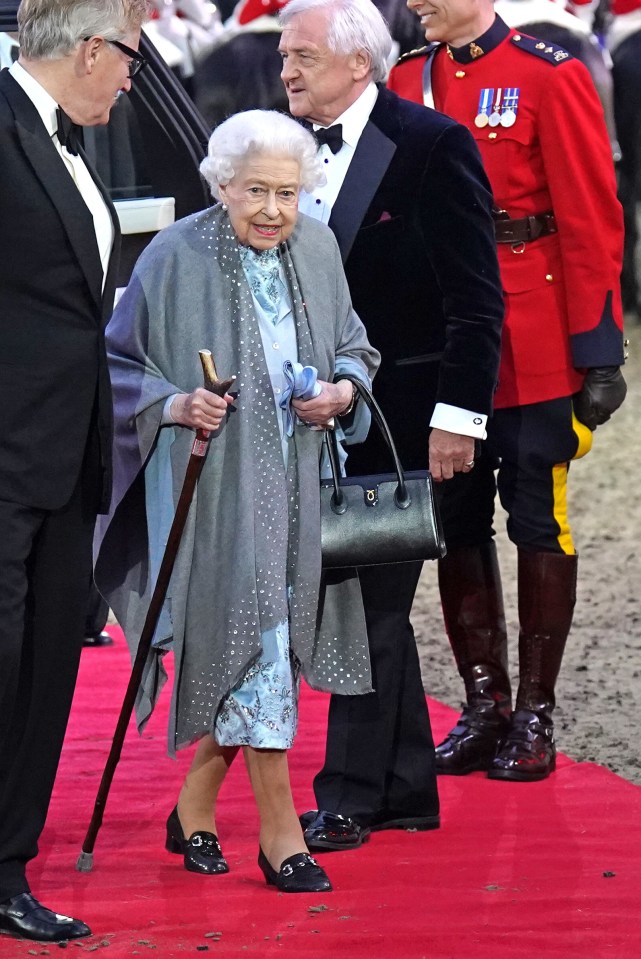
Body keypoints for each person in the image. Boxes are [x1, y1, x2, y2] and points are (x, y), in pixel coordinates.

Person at [94, 109, 380, 893]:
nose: (271, 210)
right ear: (220, 185)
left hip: (300, 484)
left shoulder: (317, 247)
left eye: (287, 193)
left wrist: (342, 389)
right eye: (254, 190)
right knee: (253, 638)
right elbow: (117, 365)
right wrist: (177, 403)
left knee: (271, 642)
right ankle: (282, 835)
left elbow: (354, 341)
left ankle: (192, 809)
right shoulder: (174, 254)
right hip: (215, 489)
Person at [278, 0, 504, 851]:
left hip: (409, 420)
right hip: (313, 423)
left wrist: (458, 420)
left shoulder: (433, 144)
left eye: (301, 55)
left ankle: (347, 795)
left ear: (358, 64)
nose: (286, 70)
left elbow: (476, 303)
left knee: (362, 603)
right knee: (367, 599)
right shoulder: (280, 149)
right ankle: (405, 786)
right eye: (283, 55)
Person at [389, 0, 627, 782]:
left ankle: (535, 712)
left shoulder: (545, 75)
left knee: (535, 515)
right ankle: (483, 706)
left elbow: (591, 212)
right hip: (443, 340)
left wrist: (597, 346)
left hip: (531, 336)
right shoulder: (404, 78)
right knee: (455, 518)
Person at [0, 0, 149, 944]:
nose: (135, 79)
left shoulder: (76, 145)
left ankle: (7, 863)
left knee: (48, 660)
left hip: (68, 456)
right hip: (7, 453)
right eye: (130, 59)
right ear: (91, 49)